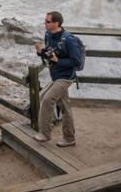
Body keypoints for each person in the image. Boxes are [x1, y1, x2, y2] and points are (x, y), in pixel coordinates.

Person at [32, 11, 80, 147]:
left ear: (56, 24)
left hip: (66, 77)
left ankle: (45, 134)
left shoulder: (68, 39)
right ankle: (70, 138)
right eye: (45, 21)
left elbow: (76, 62)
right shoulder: (48, 34)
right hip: (56, 75)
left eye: (47, 22)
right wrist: (40, 52)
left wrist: (58, 60)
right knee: (65, 107)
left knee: (47, 100)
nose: (44, 24)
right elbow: (50, 53)